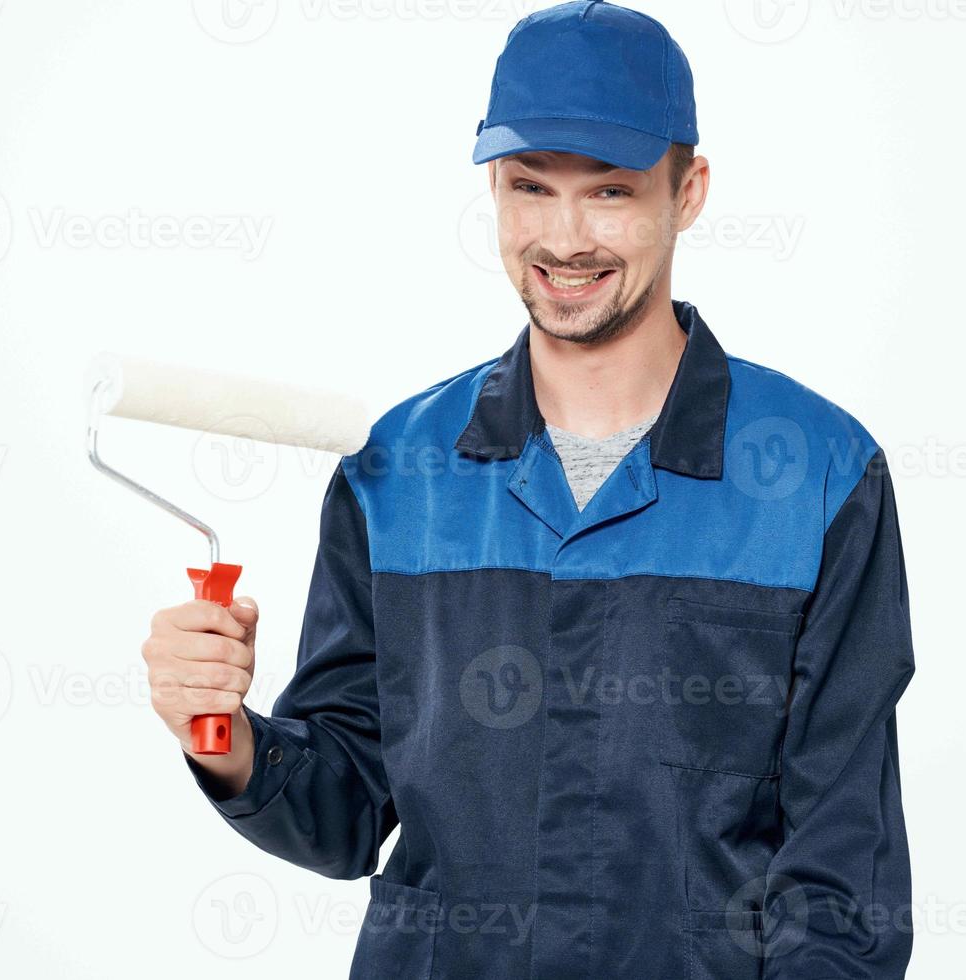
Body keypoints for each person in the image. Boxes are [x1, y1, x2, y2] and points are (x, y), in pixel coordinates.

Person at [140, 2, 917, 977]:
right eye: (529, 187)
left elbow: (842, 874)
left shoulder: (816, 474)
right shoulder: (397, 471)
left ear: (689, 191)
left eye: (610, 192)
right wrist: (224, 734)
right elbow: (342, 809)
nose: (563, 237)